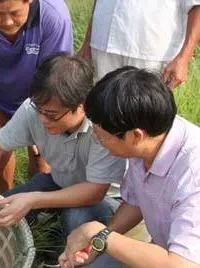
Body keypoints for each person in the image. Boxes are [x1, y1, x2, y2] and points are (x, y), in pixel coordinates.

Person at [0, 54, 126, 267]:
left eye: (52, 115)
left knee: (75, 218)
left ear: (82, 105)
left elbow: (95, 191)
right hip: (58, 182)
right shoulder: (35, 108)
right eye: (40, 111)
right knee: (1, 210)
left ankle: (79, 255)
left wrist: (34, 200)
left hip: (107, 199)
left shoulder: (102, 125)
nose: (43, 120)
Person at [59, 67, 200, 268]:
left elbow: (182, 264)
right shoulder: (150, 135)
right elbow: (136, 201)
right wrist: (99, 240)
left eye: (101, 136)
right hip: (163, 250)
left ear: (135, 136)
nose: (98, 141)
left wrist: (98, 235)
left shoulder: (193, 175)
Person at [0, 0, 73, 193]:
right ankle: (4, 200)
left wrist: (41, 120)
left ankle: (40, 209)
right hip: (0, 98)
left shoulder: (54, 17)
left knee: (41, 160)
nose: (6, 22)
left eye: (14, 13)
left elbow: (54, 76)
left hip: (42, 98)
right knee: (0, 158)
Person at [79, 0, 200, 86]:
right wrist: (87, 41)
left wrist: (184, 58)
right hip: (104, 43)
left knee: (144, 112)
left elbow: (197, 6)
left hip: (150, 50)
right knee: (102, 107)